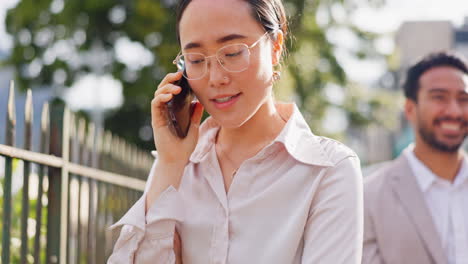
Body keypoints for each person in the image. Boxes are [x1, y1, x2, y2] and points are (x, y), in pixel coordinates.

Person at [108, 0, 363, 263]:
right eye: (196, 60)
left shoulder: (329, 170)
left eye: (232, 53)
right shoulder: (178, 166)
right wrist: (170, 163)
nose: (216, 78)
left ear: (275, 46)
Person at [362, 51, 468, 264]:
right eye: (439, 97)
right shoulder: (369, 196)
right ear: (410, 109)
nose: (454, 111)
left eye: (463, 99)